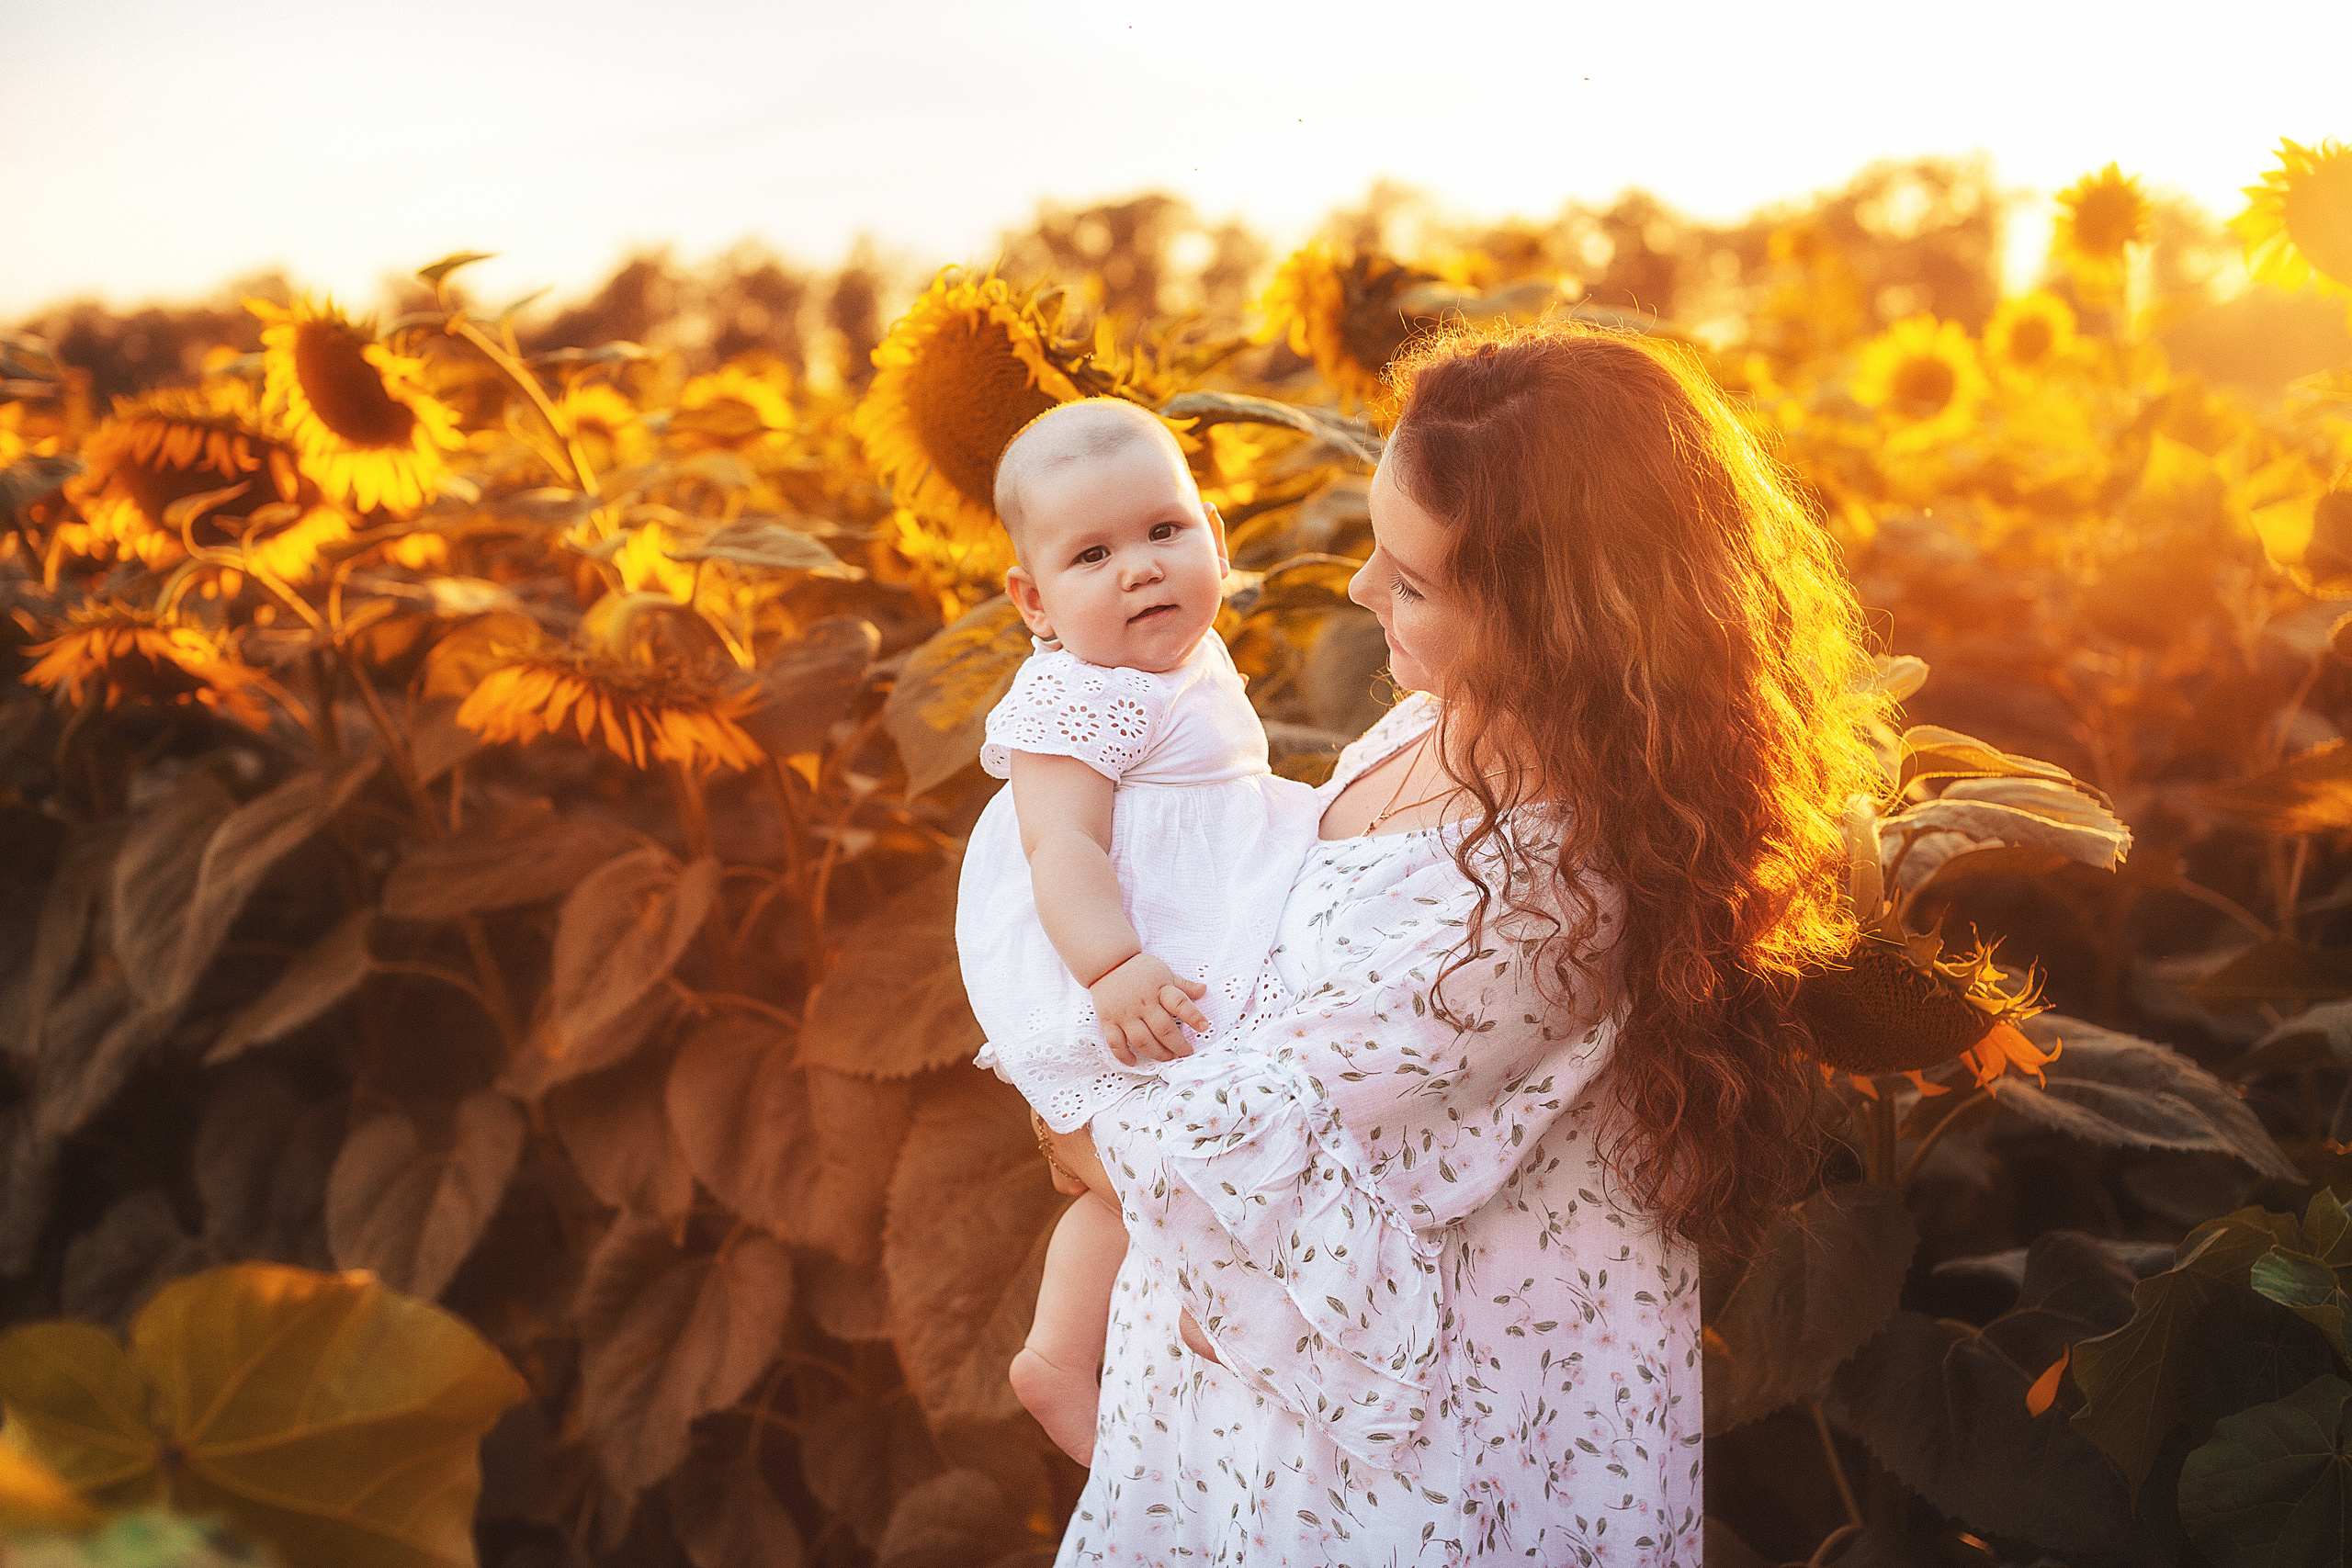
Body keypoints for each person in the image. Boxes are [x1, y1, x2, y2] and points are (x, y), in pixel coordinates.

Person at [1038, 321, 1884, 1564]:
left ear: (1562, 623)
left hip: (1408, 1482)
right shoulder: (1432, 727)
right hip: (1252, 1429)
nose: (1359, 592)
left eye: (1413, 581)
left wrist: (1063, 1108)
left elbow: (1239, 1150)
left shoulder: (1547, 890)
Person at [955, 397, 1321, 1464]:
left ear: (1216, 537)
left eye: (1164, 532)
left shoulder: (1183, 664)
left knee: (1152, 1171)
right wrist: (1110, 969)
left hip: (1180, 954)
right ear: (1033, 600)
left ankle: (1063, 1353)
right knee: (1162, 1156)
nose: (1140, 570)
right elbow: (1058, 846)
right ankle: (1175, 1316)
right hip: (1111, 965)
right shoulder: (1079, 694)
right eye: (1092, 554)